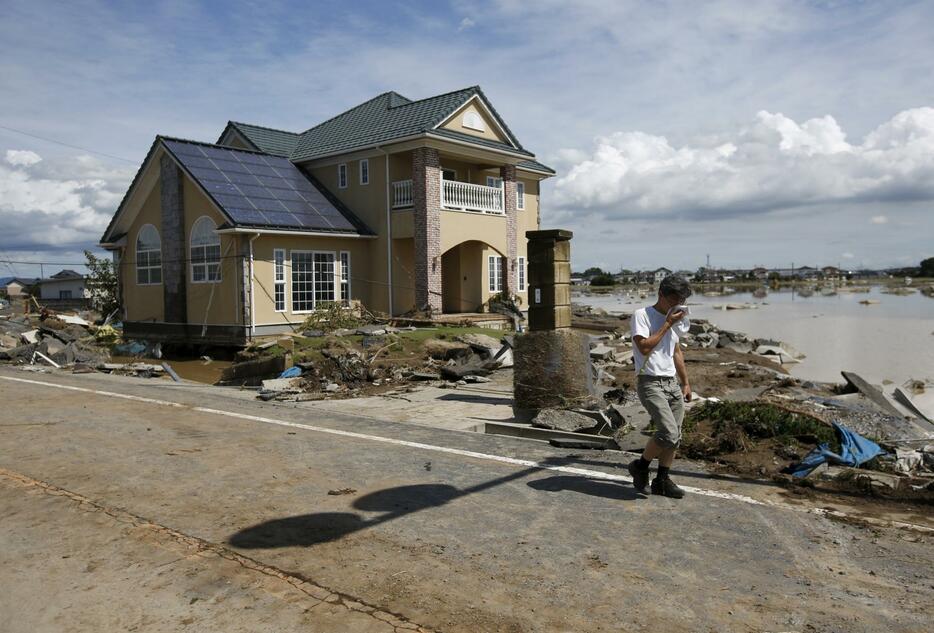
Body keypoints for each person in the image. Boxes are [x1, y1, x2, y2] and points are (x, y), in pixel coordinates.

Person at [627, 274, 693, 498]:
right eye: (673, 300)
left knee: (676, 436)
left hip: (671, 383)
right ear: (660, 294)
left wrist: (685, 383)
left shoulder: (674, 318)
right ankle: (641, 466)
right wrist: (667, 324)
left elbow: (676, 352)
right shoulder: (642, 315)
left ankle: (662, 480)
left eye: (681, 301)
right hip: (650, 381)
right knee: (667, 433)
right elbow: (644, 347)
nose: (676, 305)